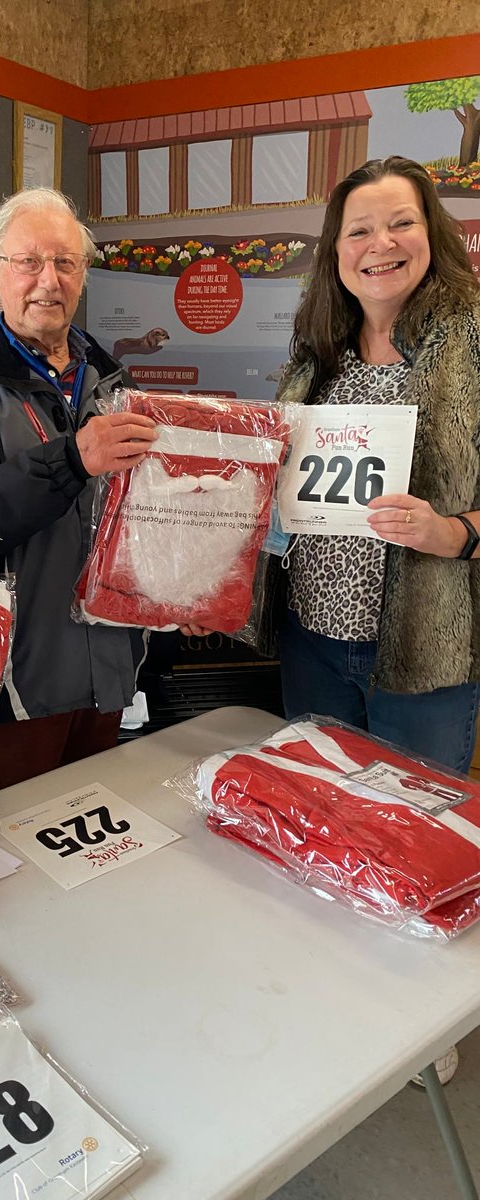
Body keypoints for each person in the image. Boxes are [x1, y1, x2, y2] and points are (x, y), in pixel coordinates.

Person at [0, 187, 157, 787]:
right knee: (20, 857)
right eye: (28, 262)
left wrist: (178, 598)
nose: (48, 279)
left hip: (113, 673)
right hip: (13, 687)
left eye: (65, 262)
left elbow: (145, 518)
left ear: (83, 275)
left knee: (108, 842)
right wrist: (72, 458)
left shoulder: (117, 384)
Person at [273, 156, 480, 775]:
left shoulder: (470, 343)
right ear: (336, 250)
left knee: (412, 838)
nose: (380, 244)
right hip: (311, 644)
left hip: (424, 657)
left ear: (432, 236)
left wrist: (451, 533)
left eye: (401, 224)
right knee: (319, 823)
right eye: (359, 230)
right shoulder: (318, 353)